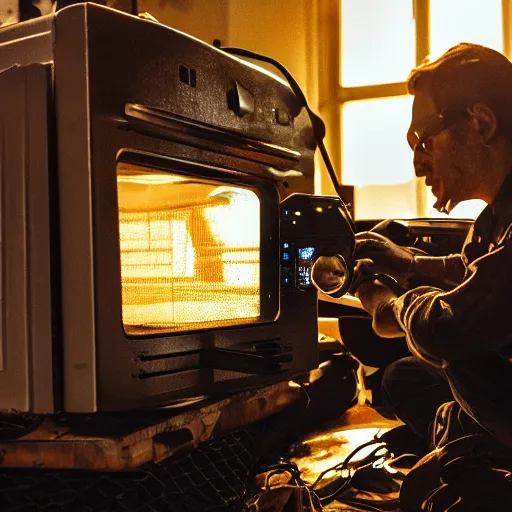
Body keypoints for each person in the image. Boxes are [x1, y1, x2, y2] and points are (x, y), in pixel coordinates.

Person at [352, 43, 512, 509]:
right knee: (403, 377)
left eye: (424, 138)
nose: (419, 162)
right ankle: (467, 438)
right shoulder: (496, 216)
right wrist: (406, 263)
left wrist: (390, 306)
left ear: (481, 122)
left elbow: (452, 325)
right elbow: (479, 274)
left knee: (427, 496)